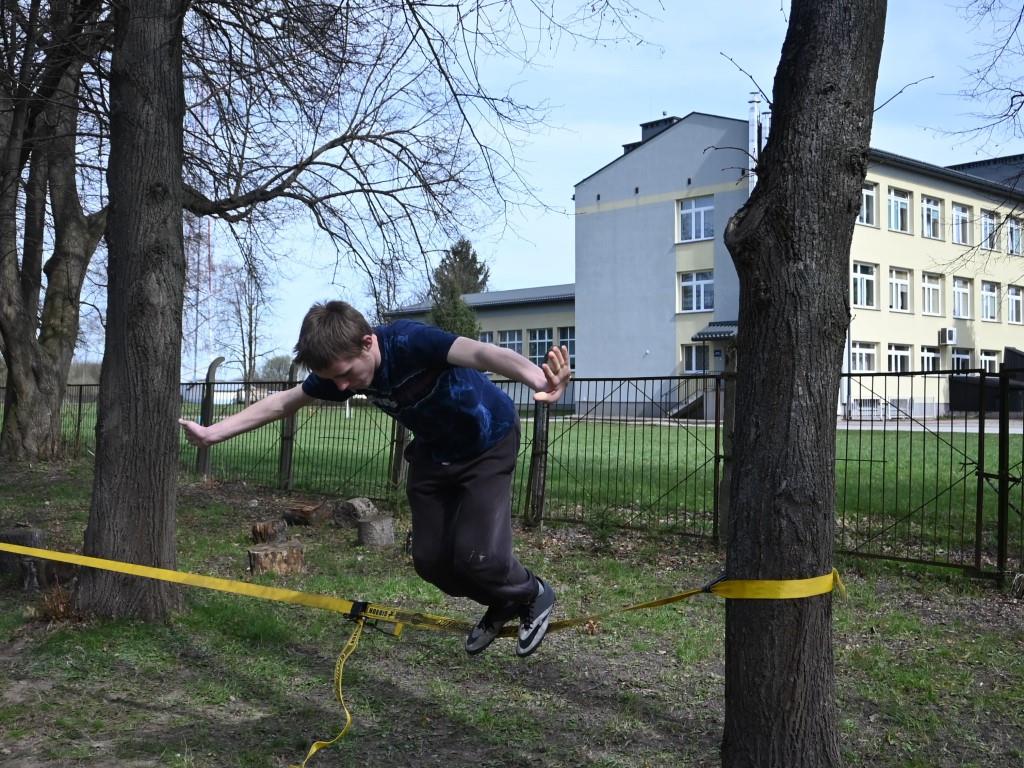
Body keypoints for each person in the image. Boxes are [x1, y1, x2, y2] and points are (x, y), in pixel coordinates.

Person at [179, 300, 572, 657]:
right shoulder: (340, 373)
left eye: (347, 375)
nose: (344, 388)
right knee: (431, 563)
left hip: (488, 443)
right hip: (434, 456)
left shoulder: (410, 341)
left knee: (479, 558)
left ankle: (533, 592)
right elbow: (283, 402)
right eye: (334, 381)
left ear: (368, 342)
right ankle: (503, 600)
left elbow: (483, 352)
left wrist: (536, 379)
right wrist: (213, 434)